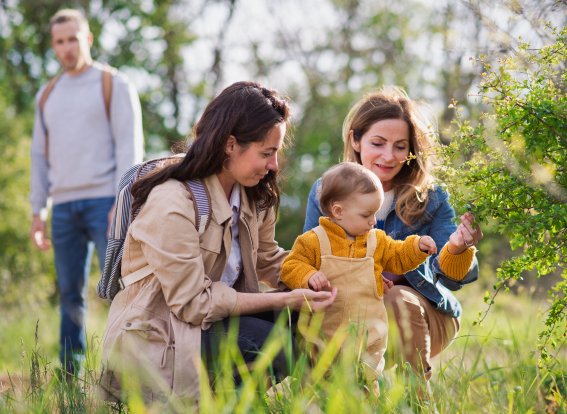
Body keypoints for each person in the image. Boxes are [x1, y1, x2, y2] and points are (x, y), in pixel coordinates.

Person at [100, 81, 337, 404]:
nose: (274, 166)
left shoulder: (252, 194)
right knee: (274, 343)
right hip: (165, 334)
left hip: (214, 322)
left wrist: (332, 273)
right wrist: (283, 300)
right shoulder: (173, 200)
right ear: (229, 145)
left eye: (276, 153)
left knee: (305, 320)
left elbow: (268, 259)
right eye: (266, 153)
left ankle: (238, 402)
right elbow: (193, 304)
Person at [304, 87, 483, 386]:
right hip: (353, 314)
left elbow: (450, 277)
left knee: (396, 296)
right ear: (355, 140)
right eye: (378, 143)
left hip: (425, 316)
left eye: (400, 146)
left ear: (412, 150)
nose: (389, 156)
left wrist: (457, 248)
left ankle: (418, 399)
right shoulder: (326, 193)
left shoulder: (432, 196)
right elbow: (311, 262)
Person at [28, 9, 144, 373]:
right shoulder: (46, 95)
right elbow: (39, 158)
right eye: (59, 41)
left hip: (106, 202)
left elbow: (130, 148)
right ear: (53, 45)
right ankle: (71, 376)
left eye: (72, 39)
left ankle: (128, 373)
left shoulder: (114, 84)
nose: (66, 47)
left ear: (88, 39)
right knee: (69, 294)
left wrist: (121, 202)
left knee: (123, 288)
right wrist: (38, 211)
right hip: (62, 207)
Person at [281, 162, 439, 394]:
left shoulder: (377, 241)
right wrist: (308, 275)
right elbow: (290, 266)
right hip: (323, 334)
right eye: (367, 214)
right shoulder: (312, 241)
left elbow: (398, 256)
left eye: (375, 213)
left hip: (368, 338)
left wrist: (416, 247)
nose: (373, 221)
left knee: (365, 386)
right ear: (338, 211)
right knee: (317, 388)